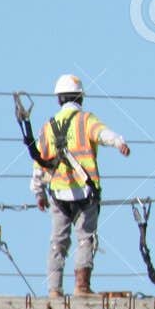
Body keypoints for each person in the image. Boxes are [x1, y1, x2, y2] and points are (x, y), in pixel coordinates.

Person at [30, 73, 131, 297]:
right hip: (85, 193)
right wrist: (119, 143)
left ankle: (54, 289)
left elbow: (39, 163)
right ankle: (82, 287)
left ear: (59, 100)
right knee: (85, 238)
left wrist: (38, 193)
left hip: (58, 193)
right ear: (81, 99)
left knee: (58, 242)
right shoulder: (86, 121)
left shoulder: (48, 127)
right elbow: (104, 134)